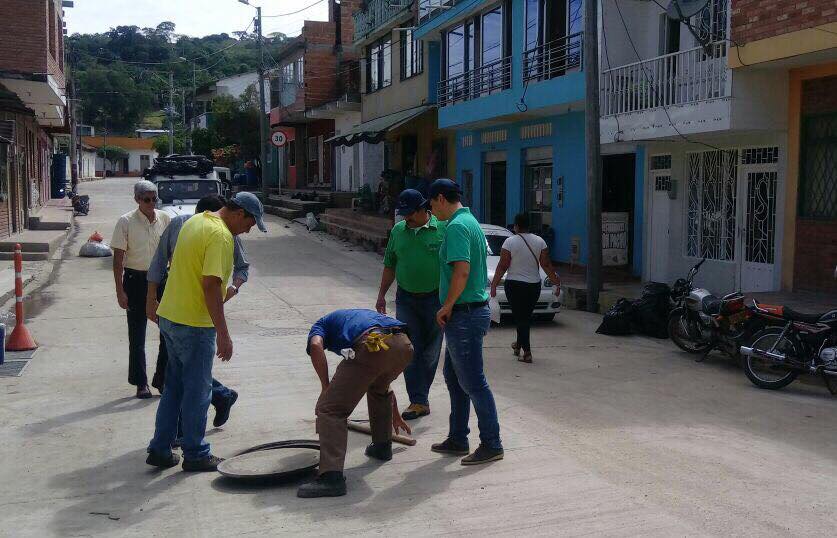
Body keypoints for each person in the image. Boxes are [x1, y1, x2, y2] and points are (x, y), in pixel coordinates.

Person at [145, 192, 267, 472]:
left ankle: (161, 448)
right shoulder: (221, 236)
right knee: (198, 392)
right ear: (238, 214)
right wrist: (223, 333)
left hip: (171, 317)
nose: (248, 230)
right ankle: (196, 452)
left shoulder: (196, 222)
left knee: (174, 388)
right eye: (249, 223)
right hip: (194, 324)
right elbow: (211, 285)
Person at [427, 178, 503, 465]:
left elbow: (461, 271)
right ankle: (458, 437)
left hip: (464, 314)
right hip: (468, 312)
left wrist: (447, 305)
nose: (433, 211)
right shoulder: (470, 221)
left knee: (473, 382)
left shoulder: (458, 227)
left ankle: (491, 443)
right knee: (454, 377)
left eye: (433, 204)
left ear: (442, 198)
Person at [298, 309, 413, 498]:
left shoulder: (320, 326)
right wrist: (395, 414)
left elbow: (316, 346)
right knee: (378, 388)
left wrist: (325, 388)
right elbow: (382, 380)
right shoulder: (357, 316)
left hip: (372, 344)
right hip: (404, 344)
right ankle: (382, 446)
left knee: (330, 409)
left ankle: (331, 478)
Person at [376, 189, 446, 421]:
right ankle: (418, 399)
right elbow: (389, 265)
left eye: (410, 214)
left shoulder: (442, 230)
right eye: (403, 214)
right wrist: (381, 295)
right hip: (406, 298)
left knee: (430, 351)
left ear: (423, 209)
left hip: (435, 299)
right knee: (409, 350)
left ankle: (420, 397)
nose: (406, 218)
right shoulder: (398, 231)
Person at [111, 180, 171, 399]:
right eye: (147, 199)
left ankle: (162, 379)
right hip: (135, 281)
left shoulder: (165, 218)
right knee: (137, 335)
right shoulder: (125, 222)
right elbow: (118, 261)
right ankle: (140, 383)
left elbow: (172, 250)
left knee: (168, 333)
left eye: (154, 199)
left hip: (162, 281)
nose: (151, 203)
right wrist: (120, 291)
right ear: (137, 200)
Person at [490, 213, 562, 363]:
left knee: (519, 317)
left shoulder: (509, 242)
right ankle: (518, 346)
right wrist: (556, 281)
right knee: (525, 317)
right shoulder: (540, 241)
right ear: (529, 225)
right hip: (533, 286)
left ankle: (527, 352)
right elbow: (546, 264)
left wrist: (494, 284)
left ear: (516, 226)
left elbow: (503, 266)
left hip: (514, 285)